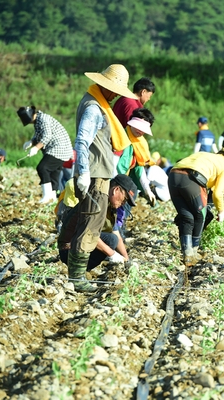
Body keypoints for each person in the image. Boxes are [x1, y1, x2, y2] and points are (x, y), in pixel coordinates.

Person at [67, 63, 138, 293]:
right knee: (89, 225)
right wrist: (84, 172)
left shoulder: (98, 104)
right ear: (105, 86)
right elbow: (82, 141)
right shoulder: (94, 108)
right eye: (115, 89)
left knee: (93, 225)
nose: (117, 95)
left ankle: (77, 275)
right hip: (94, 176)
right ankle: (77, 278)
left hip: (98, 175)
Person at [168, 148, 224, 265]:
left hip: (173, 175)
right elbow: (218, 193)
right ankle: (194, 252)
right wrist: (221, 211)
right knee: (200, 216)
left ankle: (187, 254)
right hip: (192, 178)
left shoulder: (208, 156)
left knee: (186, 217)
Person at [58, 174, 136, 273]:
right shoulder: (98, 203)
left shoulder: (108, 205)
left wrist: (126, 260)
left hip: (78, 244)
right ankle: (79, 270)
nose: (123, 203)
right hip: (69, 249)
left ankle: (83, 269)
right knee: (111, 240)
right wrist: (112, 254)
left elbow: (116, 233)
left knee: (113, 238)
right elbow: (88, 233)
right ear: (116, 190)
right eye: (124, 199)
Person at [17, 106, 74, 203]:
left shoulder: (43, 119)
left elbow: (47, 136)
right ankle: (53, 197)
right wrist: (31, 142)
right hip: (60, 149)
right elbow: (39, 135)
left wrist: (36, 148)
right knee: (54, 173)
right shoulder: (38, 120)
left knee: (43, 168)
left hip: (59, 148)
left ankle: (47, 195)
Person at [116, 108, 157, 205]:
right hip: (114, 178)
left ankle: (120, 220)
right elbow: (114, 163)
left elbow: (140, 168)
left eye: (144, 129)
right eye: (139, 127)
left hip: (125, 179)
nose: (141, 131)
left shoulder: (140, 143)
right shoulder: (121, 137)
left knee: (132, 194)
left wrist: (147, 190)